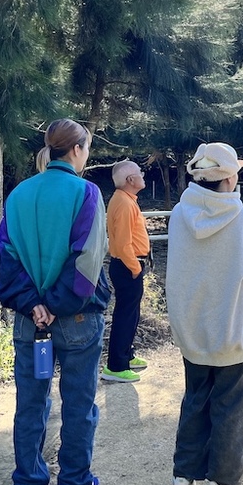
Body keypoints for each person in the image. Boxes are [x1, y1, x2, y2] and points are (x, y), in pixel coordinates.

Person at [0, 119, 111, 485]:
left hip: (30, 320)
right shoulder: (86, 192)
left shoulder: (19, 195)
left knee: (30, 402)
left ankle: (27, 484)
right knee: (78, 402)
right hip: (76, 319)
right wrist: (57, 305)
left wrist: (35, 305)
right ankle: (74, 483)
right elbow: (87, 258)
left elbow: (6, 258)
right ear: (77, 149)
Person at [165, 142, 243, 485]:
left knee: (195, 400)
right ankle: (220, 484)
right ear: (228, 178)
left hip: (192, 328)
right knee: (234, 406)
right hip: (234, 327)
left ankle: (183, 479)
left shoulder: (179, 214)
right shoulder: (241, 218)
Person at [101, 159, 151, 383]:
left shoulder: (126, 199)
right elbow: (123, 244)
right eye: (140, 172)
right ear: (131, 179)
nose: (143, 175)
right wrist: (135, 267)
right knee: (125, 315)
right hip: (127, 266)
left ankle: (126, 356)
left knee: (130, 314)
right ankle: (116, 366)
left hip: (128, 265)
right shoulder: (123, 202)